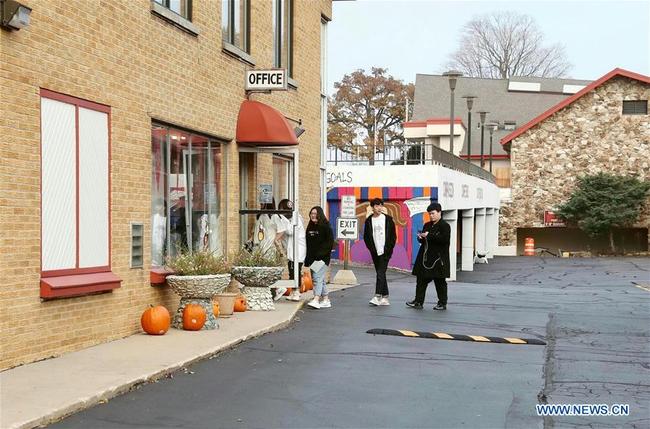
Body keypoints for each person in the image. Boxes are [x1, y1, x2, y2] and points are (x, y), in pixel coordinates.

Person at [407, 202, 451, 310]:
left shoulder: (445, 226)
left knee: (439, 281)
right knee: (421, 279)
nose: (431, 216)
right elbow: (423, 240)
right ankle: (418, 301)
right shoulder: (427, 225)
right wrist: (420, 238)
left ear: (439, 212)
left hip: (438, 259)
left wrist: (429, 235)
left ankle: (442, 303)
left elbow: (444, 240)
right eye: (429, 214)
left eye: (433, 213)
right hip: (425, 258)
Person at [363, 198, 397, 306]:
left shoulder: (388, 219)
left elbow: (393, 236)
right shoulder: (368, 221)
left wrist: (388, 249)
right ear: (372, 207)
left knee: (380, 273)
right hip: (375, 251)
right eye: (377, 206)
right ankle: (385, 297)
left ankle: (377, 296)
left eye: (381, 205)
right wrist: (371, 248)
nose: (379, 208)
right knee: (380, 273)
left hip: (385, 251)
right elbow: (366, 237)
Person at [252, 200, 285, 299]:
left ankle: (279, 287)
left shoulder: (274, 216)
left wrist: (275, 240)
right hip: (260, 245)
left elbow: (281, 230)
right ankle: (273, 290)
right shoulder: (261, 215)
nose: (260, 203)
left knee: (269, 269)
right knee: (263, 269)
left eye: (263, 201)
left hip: (269, 246)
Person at [275, 199, 306, 302]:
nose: (281, 213)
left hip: (298, 250)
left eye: (282, 210)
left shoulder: (297, 218)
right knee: (291, 270)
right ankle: (293, 292)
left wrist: (282, 217)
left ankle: (297, 291)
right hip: (291, 250)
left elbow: (290, 231)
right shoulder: (289, 219)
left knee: (296, 271)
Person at [304, 206, 334, 309]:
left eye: (315, 213)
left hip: (322, 258)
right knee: (319, 279)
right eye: (311, 213)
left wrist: (320, 255)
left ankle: (316, 299)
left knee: (317, 278)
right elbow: (308, 244)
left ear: (319, 214)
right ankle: (326, 299)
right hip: (312, 259)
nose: (313, 215)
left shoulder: (325, 226)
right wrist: (308, 258)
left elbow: (330, 243)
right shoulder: (310, 227)